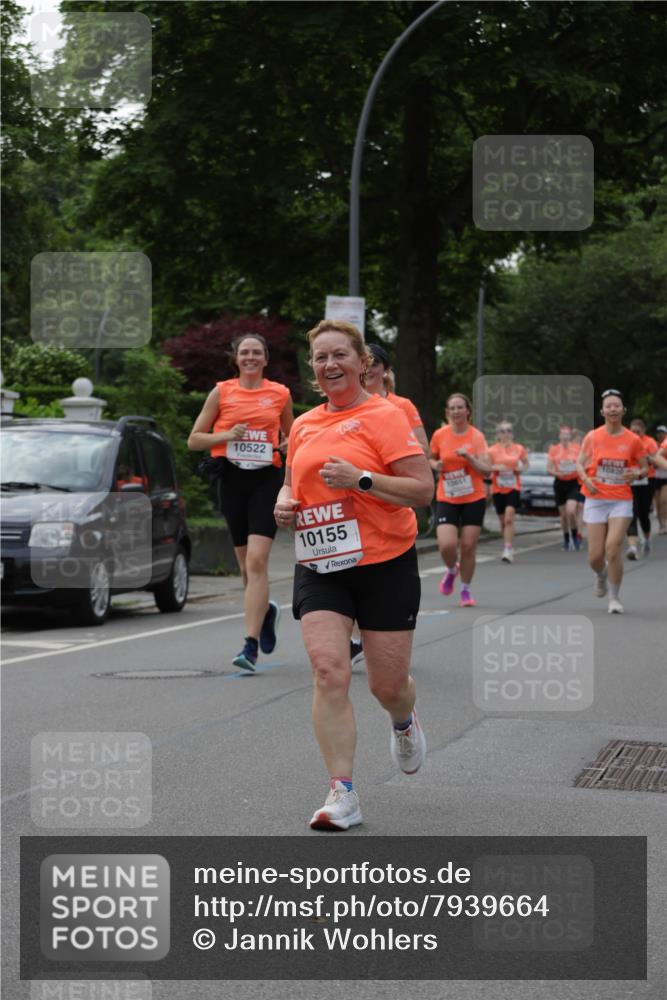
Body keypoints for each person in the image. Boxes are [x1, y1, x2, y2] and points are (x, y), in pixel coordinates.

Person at [274, 319, 433, 830]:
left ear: (363, 363)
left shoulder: (386, 416)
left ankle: (403, 720)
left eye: (340, 354)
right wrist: (284, 503)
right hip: (321, 563)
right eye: (321, 357)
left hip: (385, 562)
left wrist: (360, 479)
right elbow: (290, 481)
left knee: (386, 686)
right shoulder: (302, 424)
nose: (329, 365)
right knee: (329, 670)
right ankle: (342, 794)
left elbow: (421, 489)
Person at [188, 333, 294, 669]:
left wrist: (287, 447)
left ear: (266, 359)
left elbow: (294, 438)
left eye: (256, 352)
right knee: (247, 567)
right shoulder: (222, 391)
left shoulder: (280, 393)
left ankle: (249, 647)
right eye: (244, 352)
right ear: (236, 358)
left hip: (266, 480)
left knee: (258, 562)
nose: (250, 357)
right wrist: (226, 435)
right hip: (231, 480)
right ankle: (266, 613)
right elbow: (194, 440)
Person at [350, 342, 430, 667]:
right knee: (351, 565)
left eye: (373, 363)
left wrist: (385, 462)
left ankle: (378, 635)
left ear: (384, 369)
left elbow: (422, 448)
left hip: (389, 499)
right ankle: (358, 637)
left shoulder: (400, 406)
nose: (368, 369)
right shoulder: (343, 406)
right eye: (363, 362)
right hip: (352, 503)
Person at [575, 390, 648, 614]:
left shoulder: (632, 440)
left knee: (613, 548)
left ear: (623, 410)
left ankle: (614, 598)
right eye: (609, 406)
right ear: (602, 411)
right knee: (595, 556)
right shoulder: (593, 437)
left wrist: (636, 474)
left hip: (621, 500)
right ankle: (600, 575)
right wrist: (587, 479)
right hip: (596, 498)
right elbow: (579, 464)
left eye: (617, 405)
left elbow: (645, 467)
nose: (613, 409)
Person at [429, 393, 491, 607]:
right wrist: (435, 465)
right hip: (447, 496)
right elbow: (431, 458)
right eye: (452, 408)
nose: (456, 412)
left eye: (459, 408)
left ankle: (465, 590)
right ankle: (452, 569)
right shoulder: (440, 435)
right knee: (446, 545)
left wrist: (469, 457)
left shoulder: (477, 437)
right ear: (447, 412)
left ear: (468, 411)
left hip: (473, 496)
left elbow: (487, 469)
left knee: (468, 546)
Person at [488, 422, 529, 563]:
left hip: (513, 487)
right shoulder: (492, 450)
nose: (506, 433)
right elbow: (486, 469)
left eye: (508, 431)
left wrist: (520, 469)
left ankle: (508, 548)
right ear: (498, 434)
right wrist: (495, 467)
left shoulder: (518, 448)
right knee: (503, 522)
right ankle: (508, 542)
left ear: (512, 433)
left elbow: (526, 465)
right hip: (498, 488)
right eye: (502, 431)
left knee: (509, 518)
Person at [625, 417, 659, 559]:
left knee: (644, 513)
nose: (635, 434)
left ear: (643, 431)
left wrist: (645, 459)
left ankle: (646, 539)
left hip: (647, 481)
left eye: (638, 432)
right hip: (631, 481)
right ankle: (633, 547)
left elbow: (657, 462)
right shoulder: (625, 441)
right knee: (632, 513)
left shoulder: (649, 442)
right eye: (633, 431)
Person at [547, 426, 582, 550]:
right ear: (559, 436)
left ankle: (575, 537)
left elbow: (584, 464)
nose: (565, 437)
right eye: (563, 435)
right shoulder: (554, 449)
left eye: (567, 435)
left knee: (571, 511)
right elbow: (549, 468)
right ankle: (566, 539)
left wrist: (578, 470)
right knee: (563, 515)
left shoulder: (577, 449)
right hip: (560, 482)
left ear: (570, 437)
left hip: (573, 482)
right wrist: (557, 473)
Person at [653, 426, 667, 534]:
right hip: (655, 475)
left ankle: (665, 523)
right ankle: (661, 524)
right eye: (658, 433)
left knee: (663, 500)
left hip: (665, 476)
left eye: (662, 432)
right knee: (657, 502)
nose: (660, 434)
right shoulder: (653, 445)